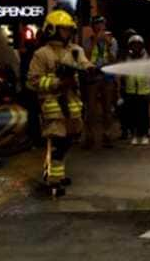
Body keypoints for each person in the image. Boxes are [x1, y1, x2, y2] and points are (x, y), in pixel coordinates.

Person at [27, 10, 94, 197]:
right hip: (52, 104)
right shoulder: (42, 54)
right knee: (58, 142)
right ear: (52, 30)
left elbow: (84, 62)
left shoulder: (75, 50)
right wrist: (59, 82)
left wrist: (90, 69)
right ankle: (53, 181)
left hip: (72, 104)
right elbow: (32, 81)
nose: (67, 33)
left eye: (68, 30)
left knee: (68, 141)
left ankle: (58, 174)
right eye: (63, 30)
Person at [82, 15, 118, 148]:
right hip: (93, 77)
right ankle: (89, 136)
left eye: (102, 24)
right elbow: (85, 58)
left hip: (107, 77)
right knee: (90, 109)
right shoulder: (88, 41)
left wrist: (108, 45)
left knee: (107, 108)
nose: (100, 27)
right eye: (97, 24)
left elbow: (114, 60)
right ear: (93, 27)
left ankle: (107, 134)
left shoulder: (112, 41)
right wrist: (95, 41)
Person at [121, 35, 150, 145]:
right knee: (132, 114)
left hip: (143, 90)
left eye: (138, 44)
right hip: (131, 90)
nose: (136, 47)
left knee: (143, 114)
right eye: (133, 45)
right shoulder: (127, 57)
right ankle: (134, 135)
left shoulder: (146, 57)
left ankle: (144, 135)